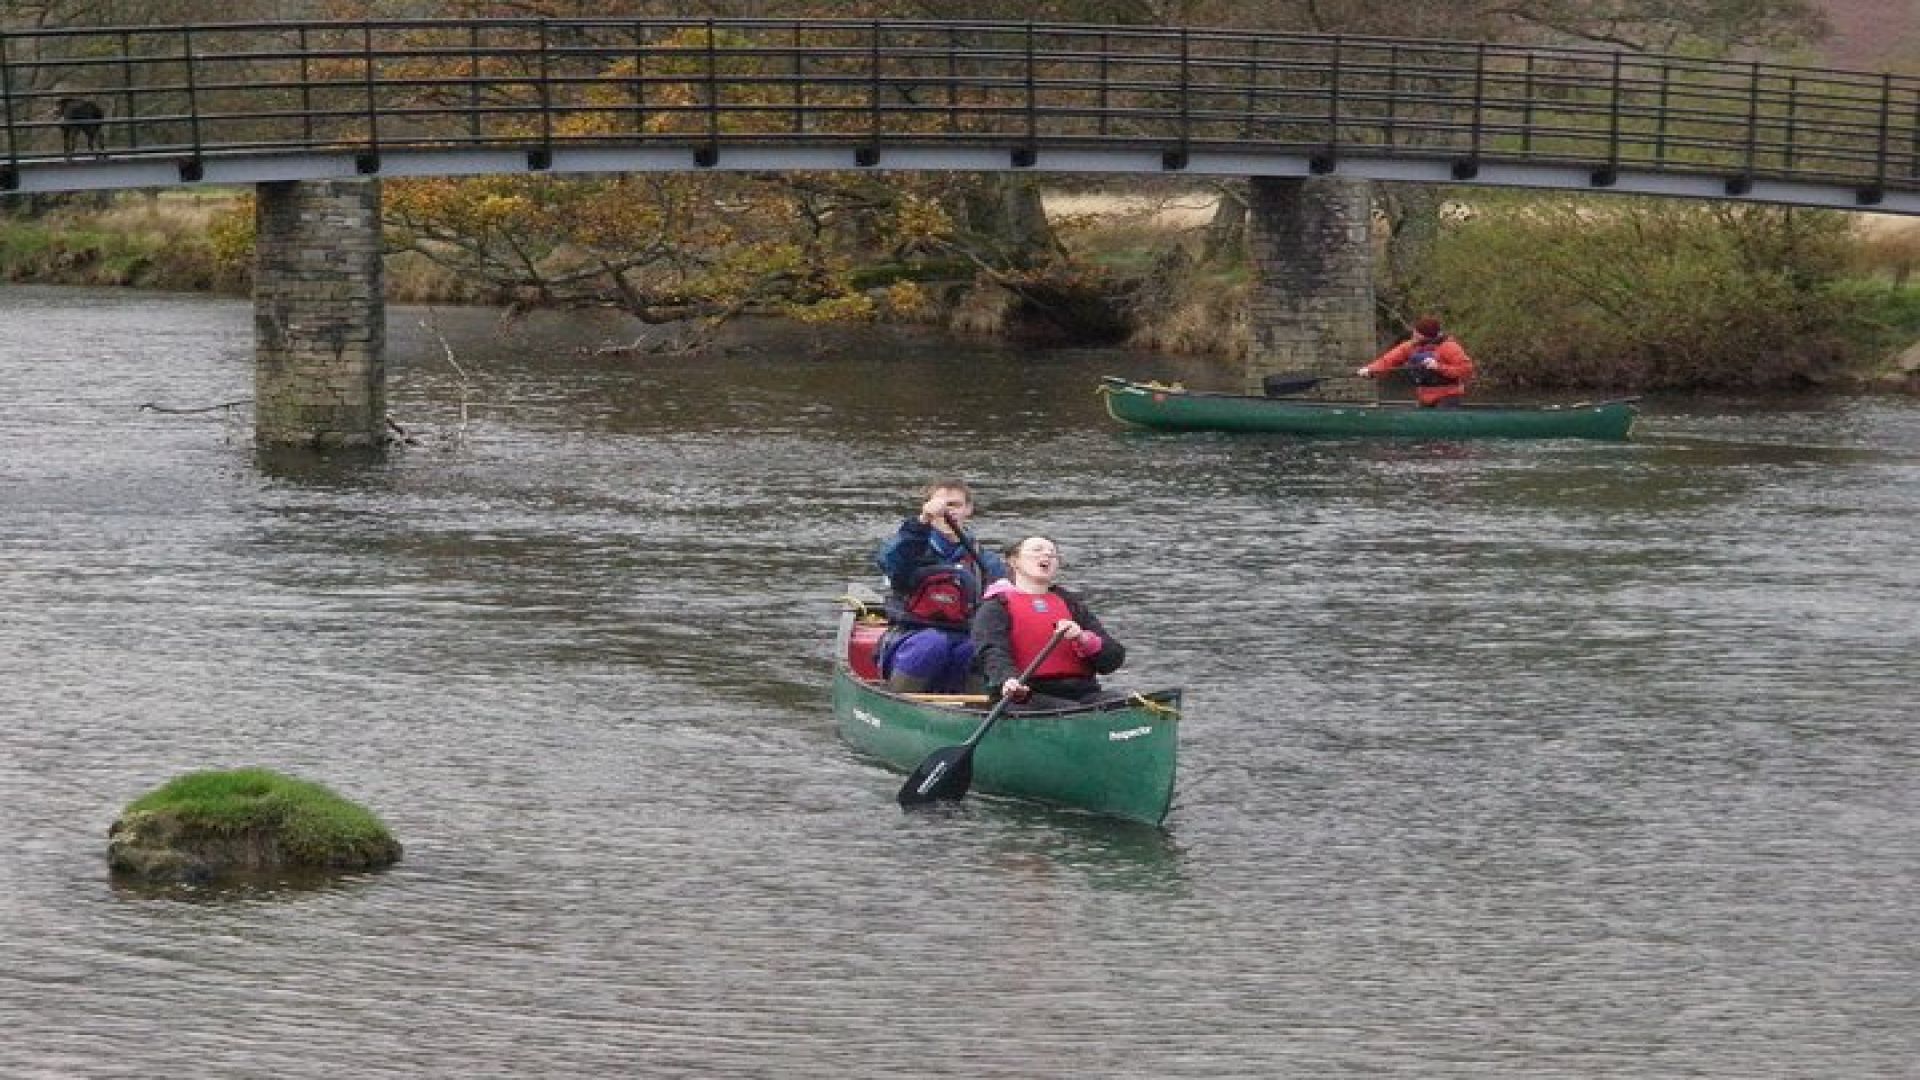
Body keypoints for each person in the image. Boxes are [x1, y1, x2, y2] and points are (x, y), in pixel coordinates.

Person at [874, 479, 1008, 694]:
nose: (948, 512)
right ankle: (901, 702)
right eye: (941, 505)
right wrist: (922, 522)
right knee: (931, 644)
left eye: (955, 505)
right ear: (927, 507)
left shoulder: (985, 560)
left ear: (968, 509)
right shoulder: (910, 545)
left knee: (979, 650)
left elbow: (1002, 604)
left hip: (964, 636)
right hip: (910, 636)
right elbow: (891, 562)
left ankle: (973, 711)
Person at [972, 535, 1127, 710]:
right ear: (1014, 561)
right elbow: (991, 651)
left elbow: (1113, 660)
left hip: (1083, 691)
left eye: (1052, 554)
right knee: (1068, 710)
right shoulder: (996, 606)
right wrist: (1007, 679)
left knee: (1123, 702)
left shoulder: (1071, 604)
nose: (1046, 556)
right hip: (1027, 695)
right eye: (1037, 550)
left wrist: (1084, 639)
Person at [1356, 316, 1476, 407]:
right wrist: (1370, 370)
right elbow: (1387, 361)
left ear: (1425, 335)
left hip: (1448, 395)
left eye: (1416, 333)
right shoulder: (1410, 346)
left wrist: (1438, 367)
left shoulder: (1449, 347)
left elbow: (1466, 369)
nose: (1413, 335)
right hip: (1424, 396)